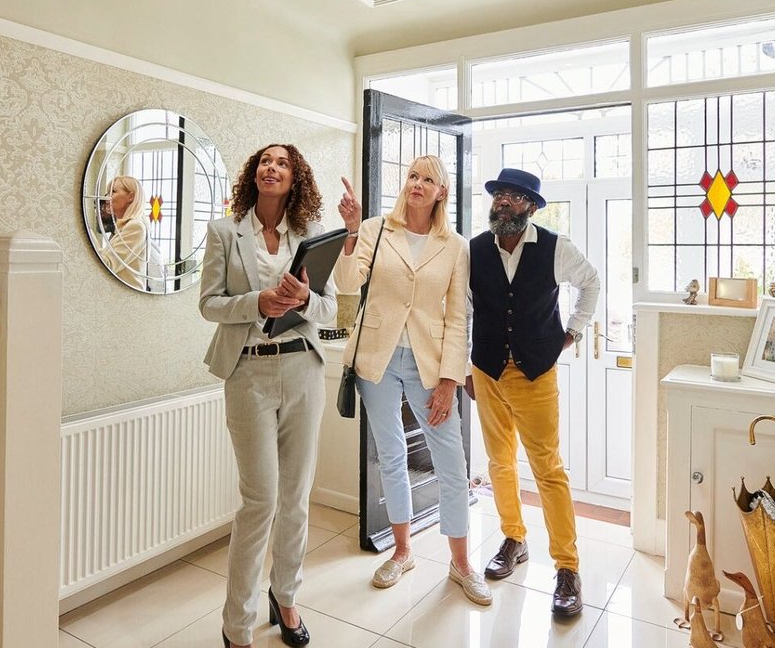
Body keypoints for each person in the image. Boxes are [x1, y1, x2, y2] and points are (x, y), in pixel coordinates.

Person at [333, 156, 491, 606]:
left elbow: (458, 317)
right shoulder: (377, 229)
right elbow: (346, 285)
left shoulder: (455, 246)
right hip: (377, 360)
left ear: (442, 191)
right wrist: (350, 230)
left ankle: (461, 563)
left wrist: (449, 380)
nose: (416, 184)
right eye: (412, 176)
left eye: (427, 179)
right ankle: (402, 552)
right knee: (391, 455)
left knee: (452, 463)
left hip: (431, 364)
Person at [199, 145, 337, 648]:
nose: (271, 168)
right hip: (248, 372)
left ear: (295, 178)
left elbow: (330, 310)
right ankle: (237, 624)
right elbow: (209, 304)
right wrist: (257, 301)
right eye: (264, 162)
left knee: (296, 499)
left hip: (303, 369)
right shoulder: (224, 232)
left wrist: (305, 298)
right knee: (260, 500)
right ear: (253, 175)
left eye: (282, 163)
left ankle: (286, 598)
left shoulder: (312, 236)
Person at [467, 167, 600, 618]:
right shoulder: (475, 249)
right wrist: (464, 366)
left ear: (531, 207)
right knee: (499, 462)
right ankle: (514, 538)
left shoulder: (555, 247)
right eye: (499, 194)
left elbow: (591, 282)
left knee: (548, 469)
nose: (503, 201)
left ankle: (567, 567)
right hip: (486, 370)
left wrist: (573, 332)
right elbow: (463, 309)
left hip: (535, 373)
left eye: (514, 195)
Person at [104, 174, 148, 288]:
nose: (107, 197)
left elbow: (107, 265)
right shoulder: (122, 227)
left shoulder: (135, 227)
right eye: (107, 193)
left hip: (126, 297)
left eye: (113, 192)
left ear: (130, 197)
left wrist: (84, 233)